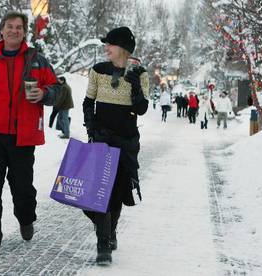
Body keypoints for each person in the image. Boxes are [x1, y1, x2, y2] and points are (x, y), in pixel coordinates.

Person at [0, 11, 60, 256]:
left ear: (25, 32)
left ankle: (26, 219)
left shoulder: (36, 60)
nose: (14, 30)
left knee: (23, 188)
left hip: (23, 137)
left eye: (19, 27)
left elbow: (58, 89)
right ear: (1, 30)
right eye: (10, 26)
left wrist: (44, 94)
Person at [82, 26, 149, 265]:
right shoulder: (98, 71)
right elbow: (88, 101)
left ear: (122, 48)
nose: (106, 48)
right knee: (97, 194)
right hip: (101, 139)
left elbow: (141, 109)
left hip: (127, 142)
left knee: (118, 192)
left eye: (109, 44)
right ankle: (103, 243)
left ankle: (110, 232)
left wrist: (136, 87)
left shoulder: (139, 74)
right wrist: (91, 128)